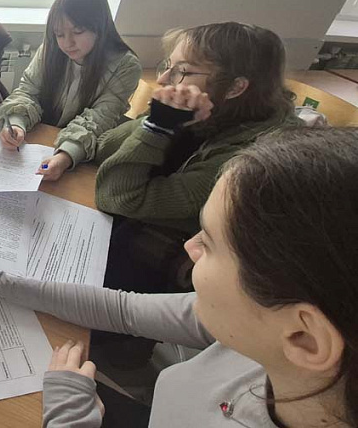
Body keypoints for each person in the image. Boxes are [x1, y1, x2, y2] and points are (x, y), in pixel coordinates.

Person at [0, 127, 358, 427]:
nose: (189, 246)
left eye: (210, 243)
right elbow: (124, 308)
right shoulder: (259, 332)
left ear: (305, 338)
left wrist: (68, 419)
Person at [94, 22, 299, 295]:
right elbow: (104, 147)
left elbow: (116, 196)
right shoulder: (208, 113)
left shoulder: (247, 160)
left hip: (174, 273)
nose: (163, 79)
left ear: (235, 87)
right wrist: (156, 120)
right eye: (168, 66)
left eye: (182, 71)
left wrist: (157, 128)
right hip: (138, 234)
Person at [0, 0, 141, 181]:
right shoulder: (51, 48)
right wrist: (17, 124)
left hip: (80, 158)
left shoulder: (125, 65)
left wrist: (65, 157)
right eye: (59, 34)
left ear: (100, 26)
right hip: (36, 142)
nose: (67, 42)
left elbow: (98, 120)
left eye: (78, 31)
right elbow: (28, 91)